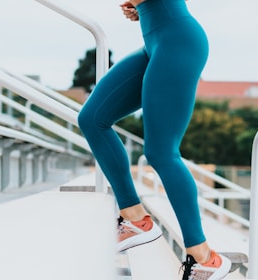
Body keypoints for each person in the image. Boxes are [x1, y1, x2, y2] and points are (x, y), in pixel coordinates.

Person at [78, 0, 231, 279]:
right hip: (156, 40)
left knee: (161, 152)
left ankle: (204, 258)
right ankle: (135, 217)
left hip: (178, 41)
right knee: (92, 119)